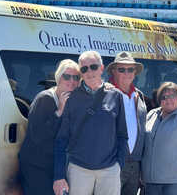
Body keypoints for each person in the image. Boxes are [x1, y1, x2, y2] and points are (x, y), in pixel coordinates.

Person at [53, 51, 128, 195]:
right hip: (79, 169)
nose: (89, 71)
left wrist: (118, 164)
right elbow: (62, 139)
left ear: (101, 68)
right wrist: (59, 175)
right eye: (84, 68)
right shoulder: (72, 98)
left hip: (109, 169)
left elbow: (122, 135)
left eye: (93, 67)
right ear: (81, 72)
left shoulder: (115, 96)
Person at [19, 59, 80, 195]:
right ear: (59, 78)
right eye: (66, 76)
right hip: (36, 165)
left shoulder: (74, 99)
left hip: (55, 165)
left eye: (76, 77)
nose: (72, 80)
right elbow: (36, 135)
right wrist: (59, 112)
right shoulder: (45, 99)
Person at [106, 51, 147, 195]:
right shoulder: (105, 94)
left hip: (135, 164)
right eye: (121, 69)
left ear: (135, 72)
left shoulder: (139, 95)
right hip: (113, 162)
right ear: (113, 72)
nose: (126, 73)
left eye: (130, 69)